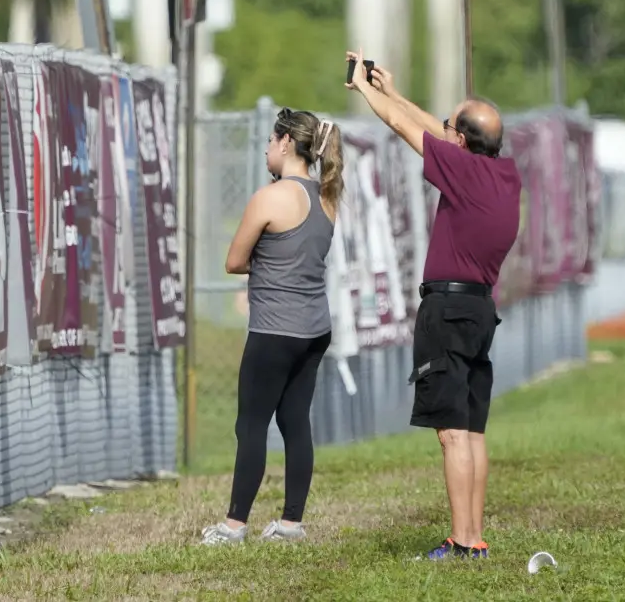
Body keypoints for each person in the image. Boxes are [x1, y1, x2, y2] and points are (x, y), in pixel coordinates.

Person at [345, 52, 522, 561]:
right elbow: (432, 131)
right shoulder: (502, 174)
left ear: (462, 143)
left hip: (446, 312)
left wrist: (368, 91)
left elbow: (405, 127)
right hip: (478, 312)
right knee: (471, 429)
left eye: (451, 127)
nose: (443, 131)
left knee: (450, 433)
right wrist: (392, 89)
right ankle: (475, 536)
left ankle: (463, 540)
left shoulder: (461, 172)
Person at [200, 107, 344, 545]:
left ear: (285, 142)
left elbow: (233, 261)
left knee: (251, 425)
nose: (266, 149)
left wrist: (265, 267)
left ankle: (233, 526)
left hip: (275, 330)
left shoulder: (270, 197)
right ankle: (291, 524)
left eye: (269, 140)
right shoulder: (327, 196)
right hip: (315, 329)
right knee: (296, 421)